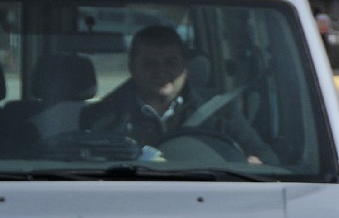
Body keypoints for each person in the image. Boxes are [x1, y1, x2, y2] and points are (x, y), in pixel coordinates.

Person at [81, 25, 278, 164]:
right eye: (150, 64)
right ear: (132, 67)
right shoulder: (100, 117)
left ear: (185, 66)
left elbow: (266, 157)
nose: (161, 72)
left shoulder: (220, 110)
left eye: (170, 63)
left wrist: (250, 163)